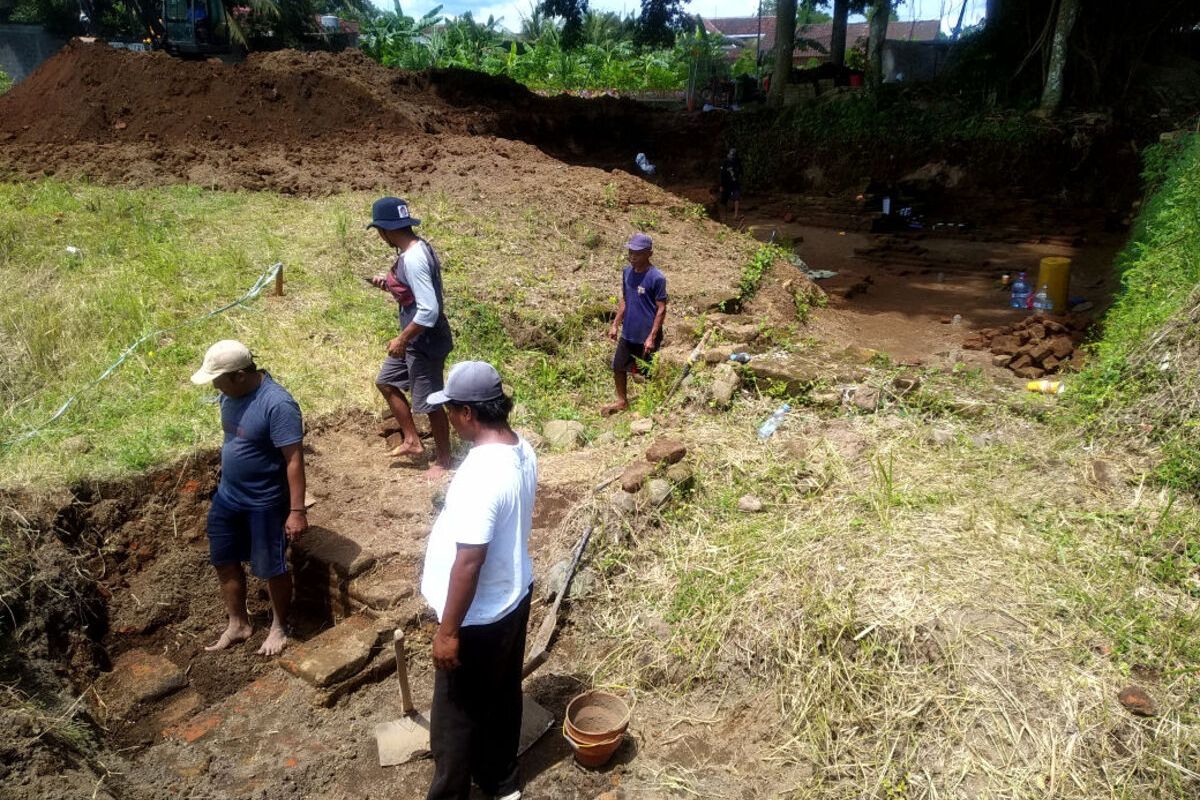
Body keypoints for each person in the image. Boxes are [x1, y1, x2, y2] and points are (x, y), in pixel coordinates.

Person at [419, 361, 536, 800]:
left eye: (451, 410)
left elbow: (469, 561)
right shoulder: (520, 448)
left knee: (454, 717)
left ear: (468, 413)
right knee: (503, 693)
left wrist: (448, 631)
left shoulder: (480, 475)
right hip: (513, 595)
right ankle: (501, 782)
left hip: (478, 615)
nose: (448, 418)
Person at [190, 340, 306, 657]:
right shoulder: (230, 394)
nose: (215, 385)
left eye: (218, 379)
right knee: (224, 559)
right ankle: (238, 623)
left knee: (271, 566)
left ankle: (280, 626)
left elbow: (294, 459)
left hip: (265, 501)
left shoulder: (277, 404)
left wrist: (296, 511)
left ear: (240, 376)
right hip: (229, 496)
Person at [366, 196, 455, 478]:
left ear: (385, 230)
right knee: (387, 381)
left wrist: (402, 339)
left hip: (425, 342)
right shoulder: (413, 251)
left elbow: (429, 310)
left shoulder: (414, 259)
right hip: (416, 340)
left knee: (430, 401)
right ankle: (412, 441)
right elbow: (413, 294)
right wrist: (390, 284)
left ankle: (444, 460)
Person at [602, 233, 668, 416]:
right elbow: (625, 300)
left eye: (637, 253)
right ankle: (622, 401)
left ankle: (651, 407)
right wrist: (615, 324)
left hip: (646, 334)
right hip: (629, 331)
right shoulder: (627, 273)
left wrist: (651, 337)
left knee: (647, 372)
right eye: (631, 252)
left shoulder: (657, 278)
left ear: (649, 253)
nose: (632, 256)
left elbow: (661, 309)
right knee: (618, 366)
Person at [719, 147, 742, 220]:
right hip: (726, 183)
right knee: (724, 200)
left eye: (733, 156)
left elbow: (741, 171)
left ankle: (735, 215)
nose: (732, 157)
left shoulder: (737, 162)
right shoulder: (725, 162)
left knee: (737, 198)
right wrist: (721, 185)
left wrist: (737, 178)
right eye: (731, 155)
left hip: (735, 183)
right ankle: (724, 216)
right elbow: (721, 174)